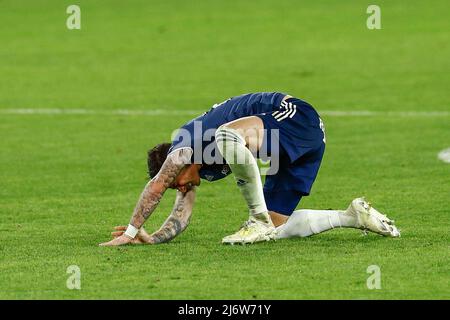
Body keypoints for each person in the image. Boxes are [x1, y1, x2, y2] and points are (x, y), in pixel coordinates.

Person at [100, 92, 399, 246]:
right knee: (276, 230)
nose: (178, 189)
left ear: (175, 163)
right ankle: (351, 217)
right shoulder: (195, 170)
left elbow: (155, 187)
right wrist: (151, 238)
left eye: (174, 182)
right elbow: (182, 216)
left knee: (226, 135)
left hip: (295, 117)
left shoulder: (185, 145)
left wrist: (130, 231)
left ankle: (256, 219)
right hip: (304, 146)